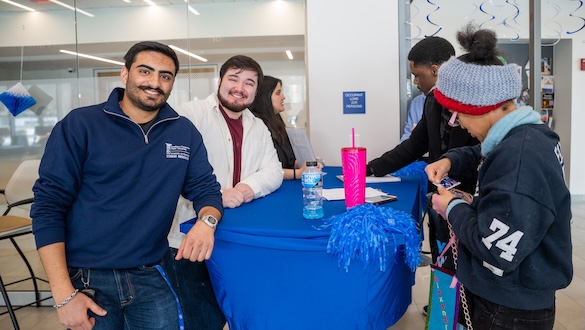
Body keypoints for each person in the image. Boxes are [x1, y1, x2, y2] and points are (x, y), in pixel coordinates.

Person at [31, 41, 224, 330]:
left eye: (165, 76)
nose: (155, 82)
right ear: (125, 74)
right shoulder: (81, 125)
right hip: (88, 277)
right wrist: (62, 294)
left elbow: (206, 188)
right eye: (145, 71)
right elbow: (48, 207)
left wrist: (206, 221)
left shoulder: (183, 131)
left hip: (151, 272)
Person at [426, 24, 572, 330]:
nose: (458, 124)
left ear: (480, 108)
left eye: (457, 114)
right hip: (509, 293)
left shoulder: (521, 158)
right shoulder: (524, 137)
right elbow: (484, 155)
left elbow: (496, 248)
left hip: (509, 307)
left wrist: (451, 207)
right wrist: (451, 160)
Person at [165, 55, 283, 330]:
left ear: (256, 90)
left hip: (230, 238)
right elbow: (169, 170)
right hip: (187, 237)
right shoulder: (189, 115)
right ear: (219, 80)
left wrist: (244, 189)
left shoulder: (257, 125)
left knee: (230, 311)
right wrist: (216, 195)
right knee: (198, 314)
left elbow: (273, 171)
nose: (240, 88)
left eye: (249, 83)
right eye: (233, 79)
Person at [250, 75, 308, 180]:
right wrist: (298, 173)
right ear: (265, 97)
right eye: (278, 93)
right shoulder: (256, 125)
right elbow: (262, 169)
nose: (283, 97)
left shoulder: (276, 122)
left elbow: (287, 161)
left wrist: (305, 165)